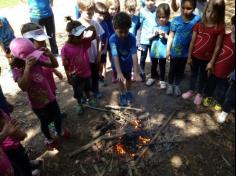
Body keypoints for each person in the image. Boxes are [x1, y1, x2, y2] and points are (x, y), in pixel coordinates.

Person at [9, 38, 70, 150]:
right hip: (38, 103)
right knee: (45, 122)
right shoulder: (16, 69)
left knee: (57, 116)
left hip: (50, 96)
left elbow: (54, 65)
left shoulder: (35, 59)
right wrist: (27, 68)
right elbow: (23, 87)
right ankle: (49, 139)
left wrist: (50, 55)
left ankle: (59, 131)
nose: (33, 57)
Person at [182, 0, 225, 105]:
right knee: (194, 74)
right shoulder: (199, 25)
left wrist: (212, 62)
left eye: (214, 12)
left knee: (203, 77)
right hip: (195, 56)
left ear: (220, 13)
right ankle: (191, 90)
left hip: (207, 59)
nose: (210, 14)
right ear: (205, 10)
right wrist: (189, 57)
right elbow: (192, 42)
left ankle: (200, 93)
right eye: (209, 11)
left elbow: (218, 46)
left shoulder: (219, 28)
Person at [20, 22, 67, 120]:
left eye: (44, 40)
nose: (44, 43)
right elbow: (23, 85)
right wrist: (27, 67)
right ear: (28, 42)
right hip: (39, 97)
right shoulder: (23, 61)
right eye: (40, 41)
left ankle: (56, 118)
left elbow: (52, 64)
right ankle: (53, 131)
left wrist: (54, 69)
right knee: (47, 118)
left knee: (53, 106)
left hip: (49, 87)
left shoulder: (41, 52)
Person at [61, 17, 97, 115]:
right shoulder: (65, 49)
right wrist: (68, 76)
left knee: (87, 87)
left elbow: (93, 36)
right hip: (75, 76)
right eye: (78, 37)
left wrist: (90, 28)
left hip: (86, 72)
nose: (81, 38)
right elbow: (65, 64)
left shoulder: (82, 42)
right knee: (78, 92)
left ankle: (89, 98)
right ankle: (79, 104)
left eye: (82, 35)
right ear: (70, 36)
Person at [166, 0, 201, 96]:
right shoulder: (175, 21)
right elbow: (171, 36)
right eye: (183, 8)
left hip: (187, 53)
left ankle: (176, 85)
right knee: (172, 68)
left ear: (194, 9)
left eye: (189, 8)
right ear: (180, 7)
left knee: (181, 70)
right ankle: (170, 84)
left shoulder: (197, 20)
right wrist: (168, 50)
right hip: (175, 52)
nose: (185, 11)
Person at [203, 15, 235, 111]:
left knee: (223, 88)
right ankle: (208, 96)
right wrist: (211, 63)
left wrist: (233, 72)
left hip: (227, 72)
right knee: (210, 84)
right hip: (216, 68)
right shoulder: (224, 37)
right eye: (234, 24)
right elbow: (215, 50)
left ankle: (219, 101)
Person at [109, 12, 141, 106]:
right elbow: (115, 55)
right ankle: (122, 93)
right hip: (117, 66)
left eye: (125, 31)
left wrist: (136, 71)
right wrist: (118, 72)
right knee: (120, 80)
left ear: (129, 28)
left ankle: (128, 91)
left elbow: (134, 54)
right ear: (115, 29)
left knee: (128, 79)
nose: (123, 34)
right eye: (120, 32)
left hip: (127, 65)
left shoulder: (131, 38)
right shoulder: (112, 39)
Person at [78, 0, 105, 99]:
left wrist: (99, 53)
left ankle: (96, 90)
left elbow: (99, 39)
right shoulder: (77, 24)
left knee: (95, 74)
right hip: (83, 58)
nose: (91, 15)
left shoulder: (95, 23)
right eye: (88, 13)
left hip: (94, 55)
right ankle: (86, 93)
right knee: (84, 77)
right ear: (81, 10)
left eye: (92, 12)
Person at [0, 110, 39, 176]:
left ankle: (27, 168)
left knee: (22, 163)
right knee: (20, 166)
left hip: (12, 145)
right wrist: (21, 135)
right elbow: (7, 128)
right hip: (9, 149)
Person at [146, 3, 171, 88]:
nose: (161, 19)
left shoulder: (169, 26)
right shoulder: (154, 25)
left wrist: (165, 36)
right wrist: (153, 34)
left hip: (163, 51)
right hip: (154, 51)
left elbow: (171, 39)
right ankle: (152, 77)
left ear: (168, 16)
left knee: (162, 66)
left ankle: (162, 80)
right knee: (153, 65)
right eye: (159, 17)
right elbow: (148, 38)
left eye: (163, 17)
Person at [139, 0, 157, 82]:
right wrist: (138, 42)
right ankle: (142, 72)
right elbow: (139, 26)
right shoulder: (142, 11)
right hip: (144, 39)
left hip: (154, 39)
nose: (150, 2)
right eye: (147, 0)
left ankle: (154, 72)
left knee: (153, 57)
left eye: (152, 0)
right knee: (143, 57)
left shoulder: (157, 10)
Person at [93, 2, 110, 87]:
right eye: (100, 15)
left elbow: (106, 36)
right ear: (94, 12)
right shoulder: (91, 24)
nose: (102, 18)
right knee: (94, 65)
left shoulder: (104, 24)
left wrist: (105, 49)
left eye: (103, 16)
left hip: (102, 49)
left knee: (101, 63)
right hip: (93, 50)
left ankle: (101, 76)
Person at [105, 0, 120, 83]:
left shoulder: (119, 16)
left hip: (117, 40)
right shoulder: (105, 17)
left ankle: (119, 71)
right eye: (112, 9)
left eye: (116, 9)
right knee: (112, 56)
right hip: (109, 40)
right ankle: (114, 72)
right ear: (107, 8)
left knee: (118, 56)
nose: (114, 11)